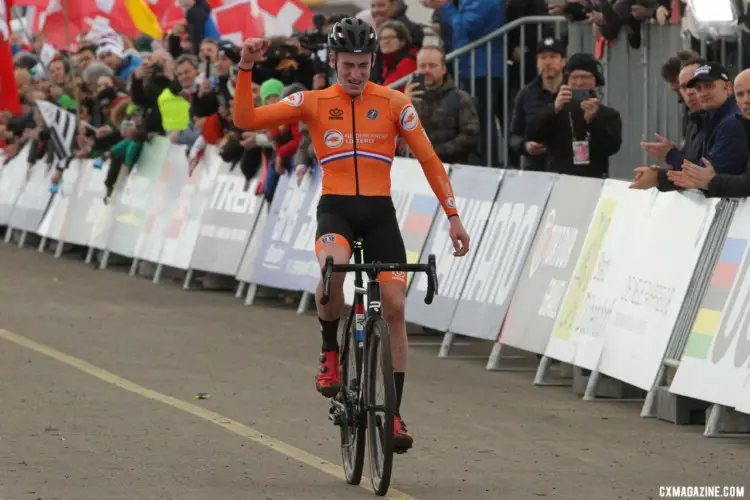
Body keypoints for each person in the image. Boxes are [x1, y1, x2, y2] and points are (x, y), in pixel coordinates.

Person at [232, 17, 471, 454]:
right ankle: (329, 350)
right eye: (348, 66)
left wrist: (453, 216)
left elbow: (432, 161)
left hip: (380, 214)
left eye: (363, 65)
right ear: (335, 61)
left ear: (373, 62)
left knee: (395, 306)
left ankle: (394, 410)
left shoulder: (396, 103)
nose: (356, 74)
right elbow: (246, 118)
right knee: (331, 272)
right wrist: (246, 69)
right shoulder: (315, 101)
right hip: (336, 210)